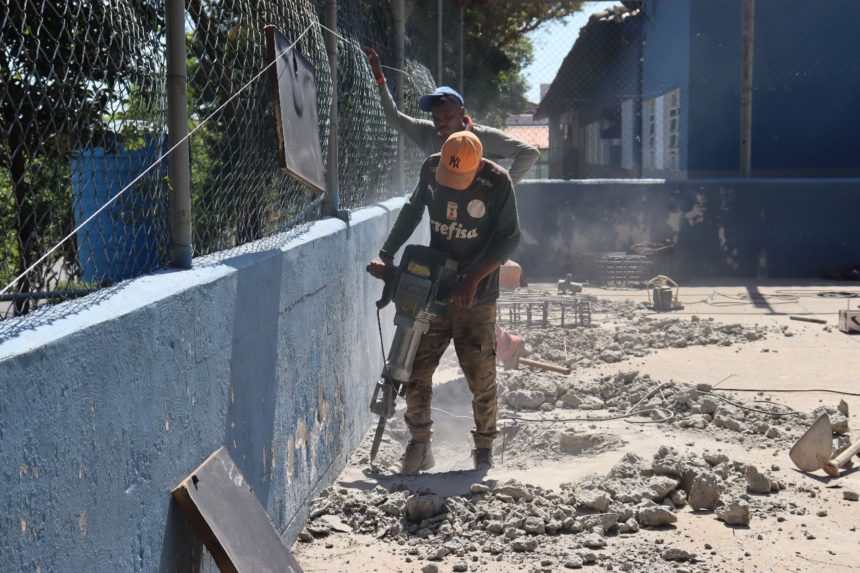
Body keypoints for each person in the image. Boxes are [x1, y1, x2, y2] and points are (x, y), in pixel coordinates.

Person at [367, 131, 520, 475]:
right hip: (431, 289)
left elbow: (510, 238)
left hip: (476, 297)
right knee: (415, 370)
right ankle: (420, 444)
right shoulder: (432, 168)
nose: (451, 185)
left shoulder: (497, 182)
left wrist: (472, 279)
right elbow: (411, 211)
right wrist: (386, 254)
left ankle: (484, 449)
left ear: (478, 165)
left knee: (481, 374)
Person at [364, 48, 540, 185]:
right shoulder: (427, 132)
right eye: (436, 118)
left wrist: (503, 185)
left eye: (448, 116)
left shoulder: (484, 136)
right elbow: (394, 118)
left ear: (461, 113)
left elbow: (529, 153)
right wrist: (379, 77)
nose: (441, 122)